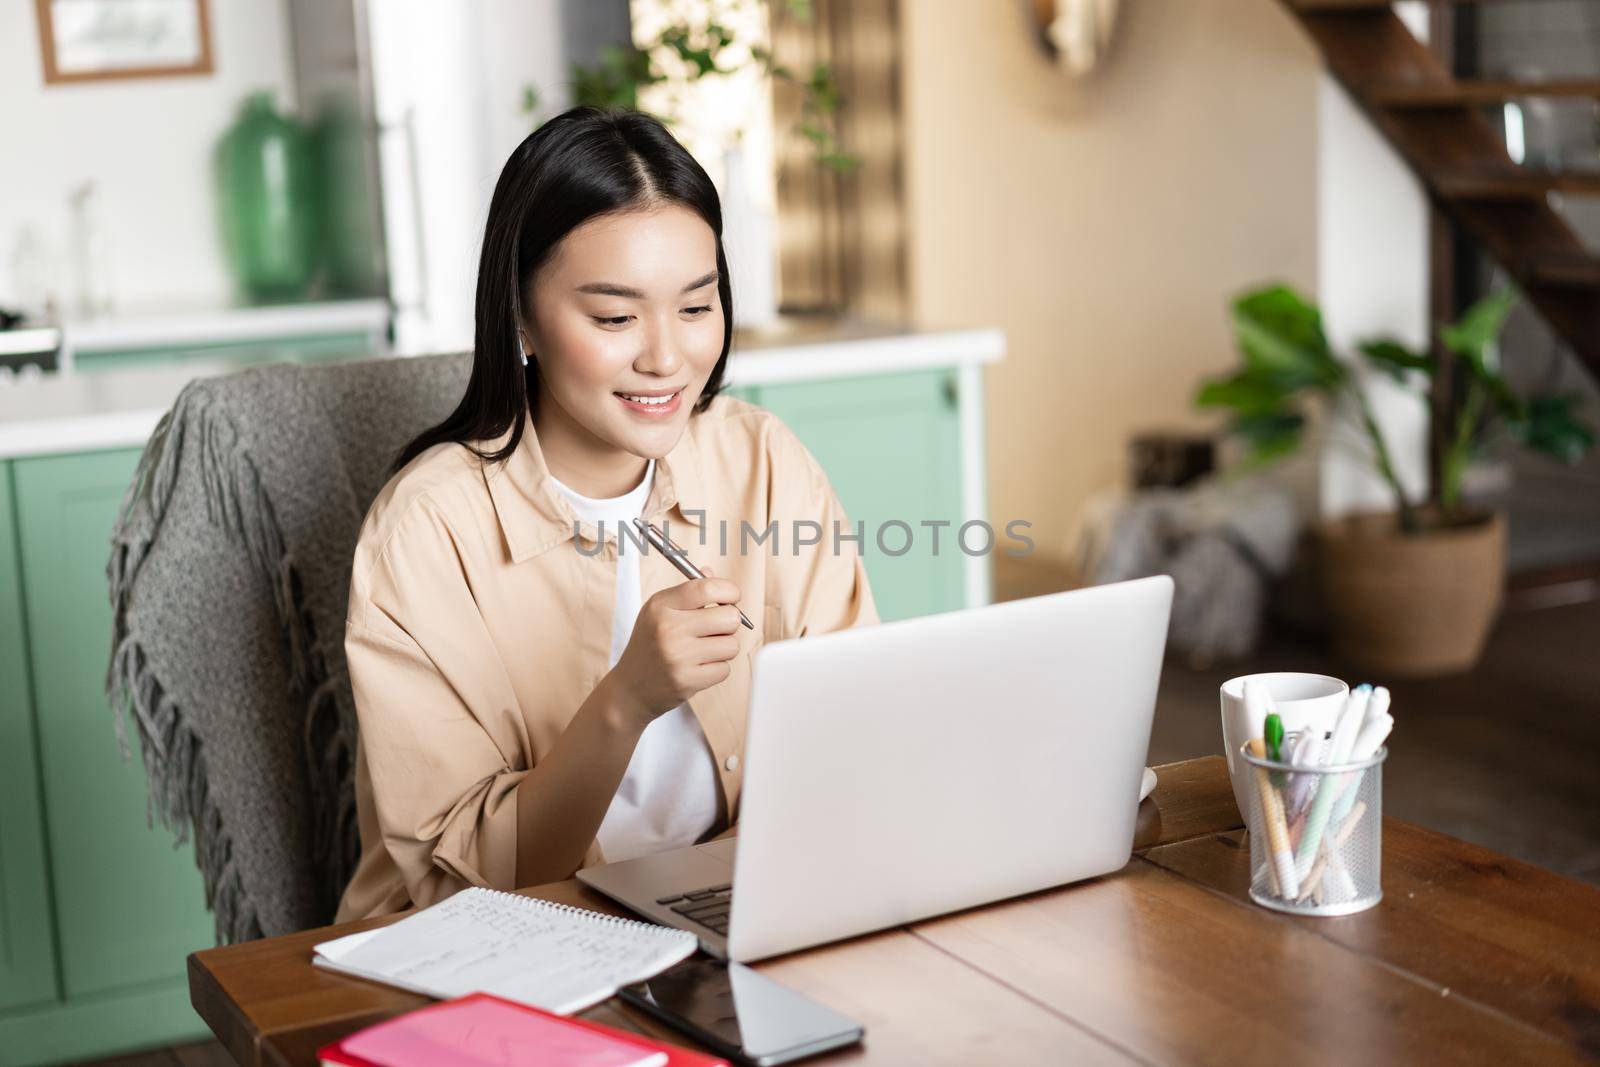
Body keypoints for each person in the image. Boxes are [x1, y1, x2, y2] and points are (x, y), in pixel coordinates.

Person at [335, 107, 878, 921]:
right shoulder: (423, 532)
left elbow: (860, 727)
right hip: (496, 947)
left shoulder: (762, 461)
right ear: (520, 316)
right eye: (616, 317)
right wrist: (626, 698)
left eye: (696, 307)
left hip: (730, 912)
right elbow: (462, 890)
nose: (666, 357)